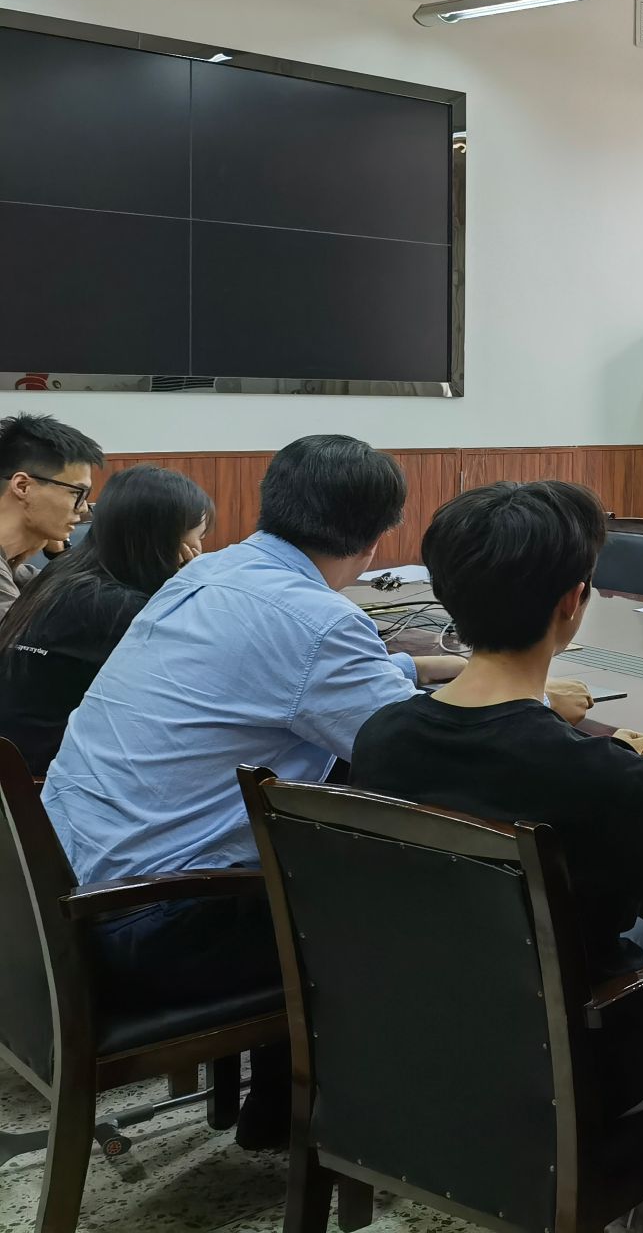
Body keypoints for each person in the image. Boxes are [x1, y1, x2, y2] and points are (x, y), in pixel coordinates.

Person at [40, 436, 580, 1148]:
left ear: (270, 502)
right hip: (152, 926)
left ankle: (280, 1107)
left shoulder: (214, 572)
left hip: (68, 891)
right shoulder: (320, 623)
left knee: (323, 846)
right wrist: (525, 699)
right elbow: (423, 757)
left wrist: (416, 670)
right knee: (429, 888)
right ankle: (377, 1128)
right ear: (380, 533)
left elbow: (306, 683)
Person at [351, 481, 643, 1233]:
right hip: (571, 1055)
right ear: (573, 603)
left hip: (417, 1032)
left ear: (447, 596)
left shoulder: (382, 738)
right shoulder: (585, 768)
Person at [0, 465, 213, 775]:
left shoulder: (62, 575)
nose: (200, 551)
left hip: (17, 775)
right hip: (49, 782)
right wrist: (189, 594)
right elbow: (197, 685)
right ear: (167, 539)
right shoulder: (123, 608)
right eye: (199, 537)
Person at [0, 413, 104, 615]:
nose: (83, 508)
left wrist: (58, 554)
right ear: (23, 486)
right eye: (76, 493)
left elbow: (82, 597)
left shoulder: (15, 570)